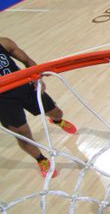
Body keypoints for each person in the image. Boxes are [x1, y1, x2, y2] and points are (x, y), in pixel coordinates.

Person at [0, 36, 76, 177]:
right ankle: (41, 159)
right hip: (3, 101)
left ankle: (56, 121)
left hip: (25, 88)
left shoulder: (3, 43)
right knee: (23, 134)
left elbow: (27, 61)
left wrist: (36, 77)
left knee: (57, 113)